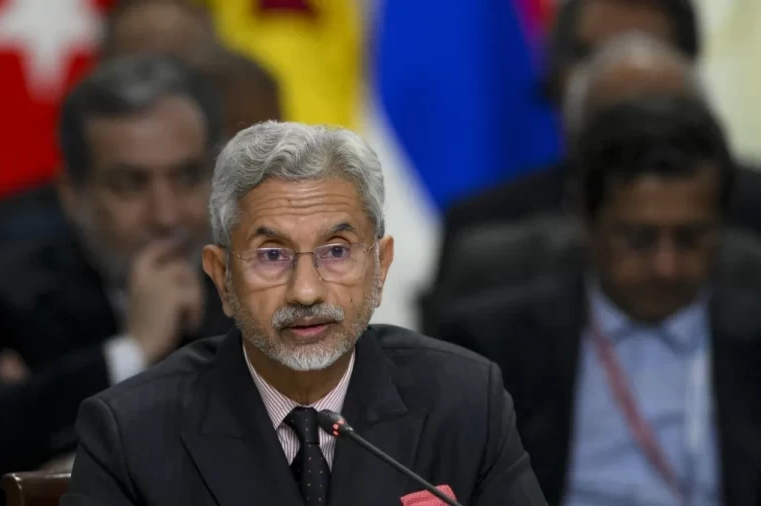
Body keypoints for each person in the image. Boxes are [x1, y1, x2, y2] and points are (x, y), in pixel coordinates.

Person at [61, 121, 547, 506]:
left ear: (380, 268)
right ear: (222, 277)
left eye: (336, 251)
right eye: (272, 255)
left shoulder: (465, 401)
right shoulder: (130, 432)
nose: (307, 291)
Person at [0, 56, 234, 506]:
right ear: (72, 193)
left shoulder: (256, 289)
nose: (166, 215)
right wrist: (132, 351)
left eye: (186, 177)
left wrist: (33, 401)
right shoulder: (1, 290)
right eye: (130, 184)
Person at [434, 94, 761, 505]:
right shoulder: (491, 347)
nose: (667, 266)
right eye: (639, 239)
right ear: (585, 221)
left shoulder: (752, 340)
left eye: (691, 238)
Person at [434, 0, 761, 279]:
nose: (617, 74)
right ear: (555, 75)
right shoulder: (480, 232)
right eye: (592, 56)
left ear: (690, 71)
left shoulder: (754, 213)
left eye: (640, 51)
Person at [0, 0, 282, 249]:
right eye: (141, 73)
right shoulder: (24, 235)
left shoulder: (273, 221)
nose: (165, 216)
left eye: (181, 73)